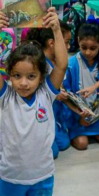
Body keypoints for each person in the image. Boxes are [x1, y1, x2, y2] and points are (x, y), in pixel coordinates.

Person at [0, 7, 67, 196]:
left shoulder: (46, 93)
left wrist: (56, 30)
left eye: (31, 76)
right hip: (13, 174)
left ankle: (16, 194)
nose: (24, 82)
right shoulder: (7, 97)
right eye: (17, 76)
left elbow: (62, 64)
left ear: (42, 77)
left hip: (42, 174)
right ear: (10, 76)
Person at [56, 21, 99, 150]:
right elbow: (68, 91)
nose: (88, 52)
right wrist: (80, 113)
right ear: (78, 41)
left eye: (93, 48)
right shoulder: (71, 63)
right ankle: (73, 130)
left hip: (95, 113)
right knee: (82, 144)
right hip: (76, 112)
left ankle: (95, 127)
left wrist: (97, 111)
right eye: (83, 47)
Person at [24, 20, 72, 157]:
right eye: (66, 42)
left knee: (63, 144)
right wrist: (56, 95)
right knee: (53, 152)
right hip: (39, 114)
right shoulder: (40, 63)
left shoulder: (56, 61)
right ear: (52, 43)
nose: (68, 47)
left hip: (54, 114)